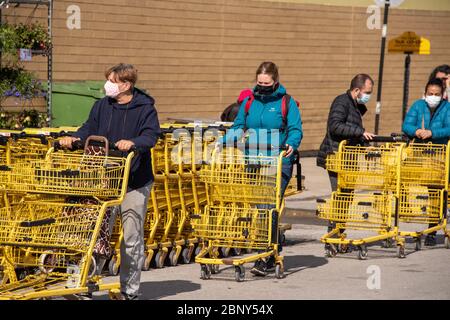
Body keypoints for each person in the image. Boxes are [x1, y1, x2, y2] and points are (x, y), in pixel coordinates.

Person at [59, 63, 161, 300]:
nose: (108, 85)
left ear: (125, 85)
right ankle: (81, 284)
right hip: (104, 179)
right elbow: (88, 129)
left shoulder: (145, 108)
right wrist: (75, 138)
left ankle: (129, 290)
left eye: (112, 81)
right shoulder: (101, 106)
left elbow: (150, 135)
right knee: (94, 234)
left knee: (131, 237)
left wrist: (133, 142)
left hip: (134, 180)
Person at [223, 61, 303, 276]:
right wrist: (224, 141)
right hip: (254, 159)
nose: (262, 86)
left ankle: (265, 256)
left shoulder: (286, 102)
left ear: (275, 81)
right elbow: (239, 125)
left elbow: (295, 129)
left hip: (278, 161)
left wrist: (292, 145)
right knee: (260, 208)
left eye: (266, 83)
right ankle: (270, 248)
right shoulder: (249, 101)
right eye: (259, 82)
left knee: (268, 207)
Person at [316, 74, 375, 239]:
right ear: (357, 90)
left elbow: (350, 130)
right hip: (336, 156)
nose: (368, 95)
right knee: (341, 196)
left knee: (346, 197)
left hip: (347, 157)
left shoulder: (354, 105)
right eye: (367, 92)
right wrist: (361, 132)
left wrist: (365, 144)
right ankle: (333, 234)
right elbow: (335, 126)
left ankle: (338, 231)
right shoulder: (342, 102)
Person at [402, 77, 450, 246]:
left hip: (439, 156)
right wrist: (416, 130)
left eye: (437, 94)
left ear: (442, 94)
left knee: (436, 193)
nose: (433, 96)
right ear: (425, 93)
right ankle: (404, 213)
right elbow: (406, 125)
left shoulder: (447, 108)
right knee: (401, 180)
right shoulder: (418, 106)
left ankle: (432, 229)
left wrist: (432, 132)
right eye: (430, 93)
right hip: (419, 155)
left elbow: (449, 128)